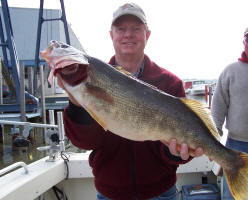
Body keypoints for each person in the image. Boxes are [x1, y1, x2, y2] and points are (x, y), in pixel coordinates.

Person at [58, 3, 203, 200]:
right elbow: (85, 142)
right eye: (121, 29)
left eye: (136, 29)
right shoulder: (92, 78)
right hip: (110, 193)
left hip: (161, 192)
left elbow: (180, 149)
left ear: (147, 35)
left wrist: (176, 154)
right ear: (111, 35)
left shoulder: (171, 83)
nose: (128, 34)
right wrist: (76, 104)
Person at [211, 24, 248, 200]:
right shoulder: (230, 71)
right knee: (235, 197)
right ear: (244, 43)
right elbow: (217, 111)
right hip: (236, 147)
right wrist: (212, 142)